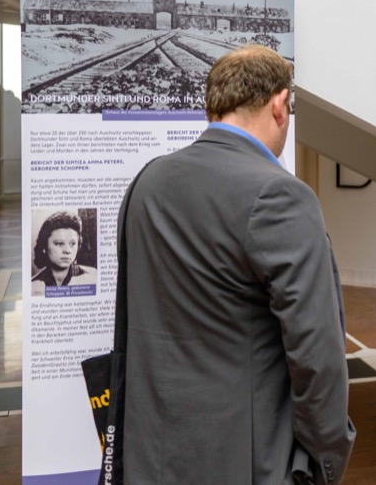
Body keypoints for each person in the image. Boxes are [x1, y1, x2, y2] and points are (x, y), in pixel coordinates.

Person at [122, 45, 355, 484]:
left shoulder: (148, 182)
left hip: (151, 456)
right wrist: (324, 463)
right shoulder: (281, 195)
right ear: (279, 104)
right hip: (248, 462)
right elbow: (317, 354)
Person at [31, 210, 97, 296]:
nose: (67, 251)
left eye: (72, 244)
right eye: (59, 243)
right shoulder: (32, 285)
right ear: (44, 246)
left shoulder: (92, 278)